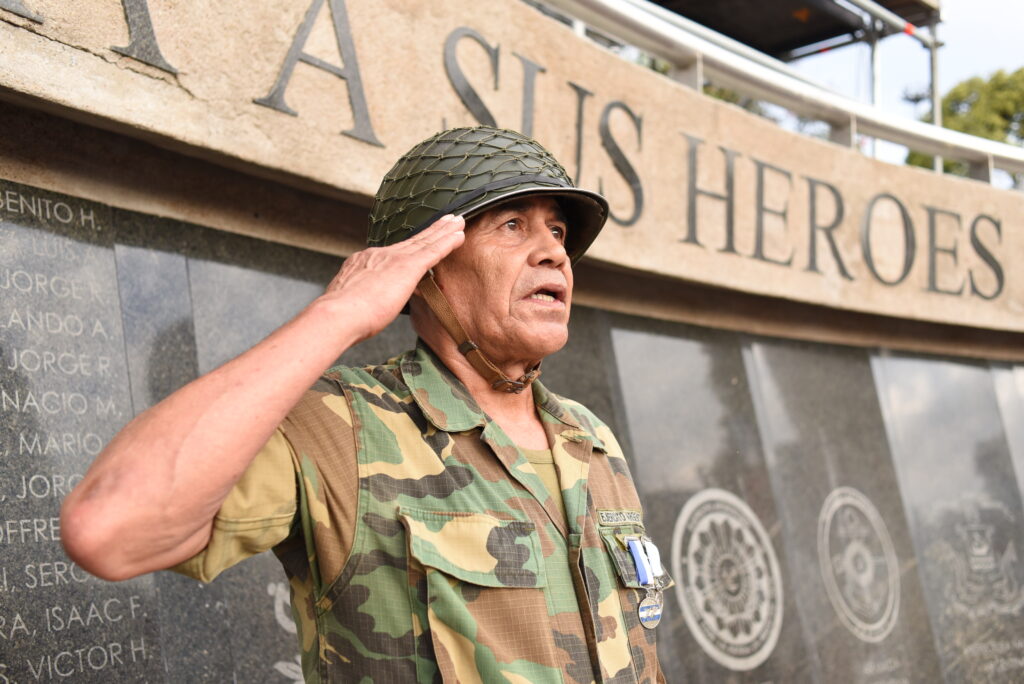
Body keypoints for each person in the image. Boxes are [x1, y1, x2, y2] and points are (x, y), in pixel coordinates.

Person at [61, 126, 670, 683]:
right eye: (511, 225)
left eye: (557, 231)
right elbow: (109, 529)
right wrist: (342, 311)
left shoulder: (589, 438)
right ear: (424, 268)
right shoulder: (343, 427)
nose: (554, 252)